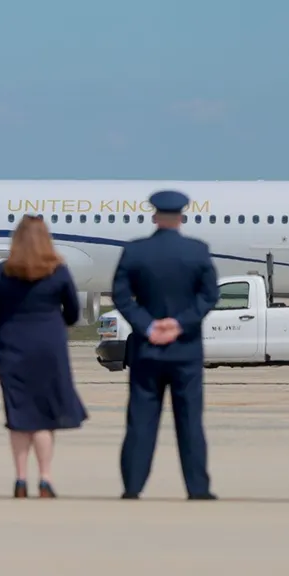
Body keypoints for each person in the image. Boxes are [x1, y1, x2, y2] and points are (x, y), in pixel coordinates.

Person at [112, 190, 221, 500]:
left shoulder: (135, 252)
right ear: (182, 217)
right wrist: (179, 323)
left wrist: (147, 324)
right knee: (190, 422)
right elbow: (209, 296)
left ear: (154, 216)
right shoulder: (197, 251)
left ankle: (132, 486)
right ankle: (197, 488)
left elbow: (121, 295)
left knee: (141, 421)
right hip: (185, 350)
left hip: (147, 349)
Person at [0, 215, 87, 498]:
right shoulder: (59, 271)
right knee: (44, 414)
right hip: (48, 347)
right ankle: (45, 477)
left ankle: (19, 478)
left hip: (12, 345)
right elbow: (74, 313)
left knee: (19, 413)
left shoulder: (0, 273)